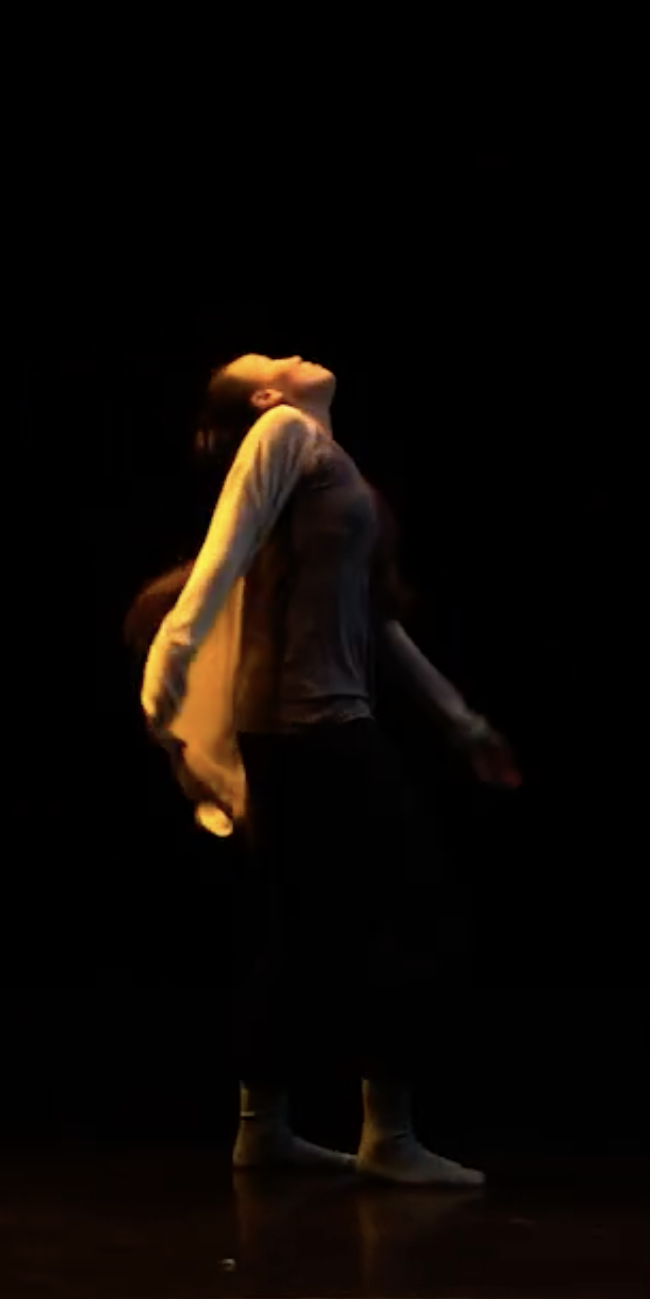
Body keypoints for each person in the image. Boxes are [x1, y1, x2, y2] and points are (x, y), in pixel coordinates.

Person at [131, 354, 517, 1188]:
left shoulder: (336, 474)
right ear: (268, 396)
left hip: (316, 726)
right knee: (405, 908)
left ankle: (266, 1131)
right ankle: (386, 1136)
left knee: (301, 925)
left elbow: (374, 621)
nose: (293, 355)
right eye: (271, 362)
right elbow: (223, 552)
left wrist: (462, 724)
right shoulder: (283, 434)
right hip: (311, 727)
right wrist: (168, 666)